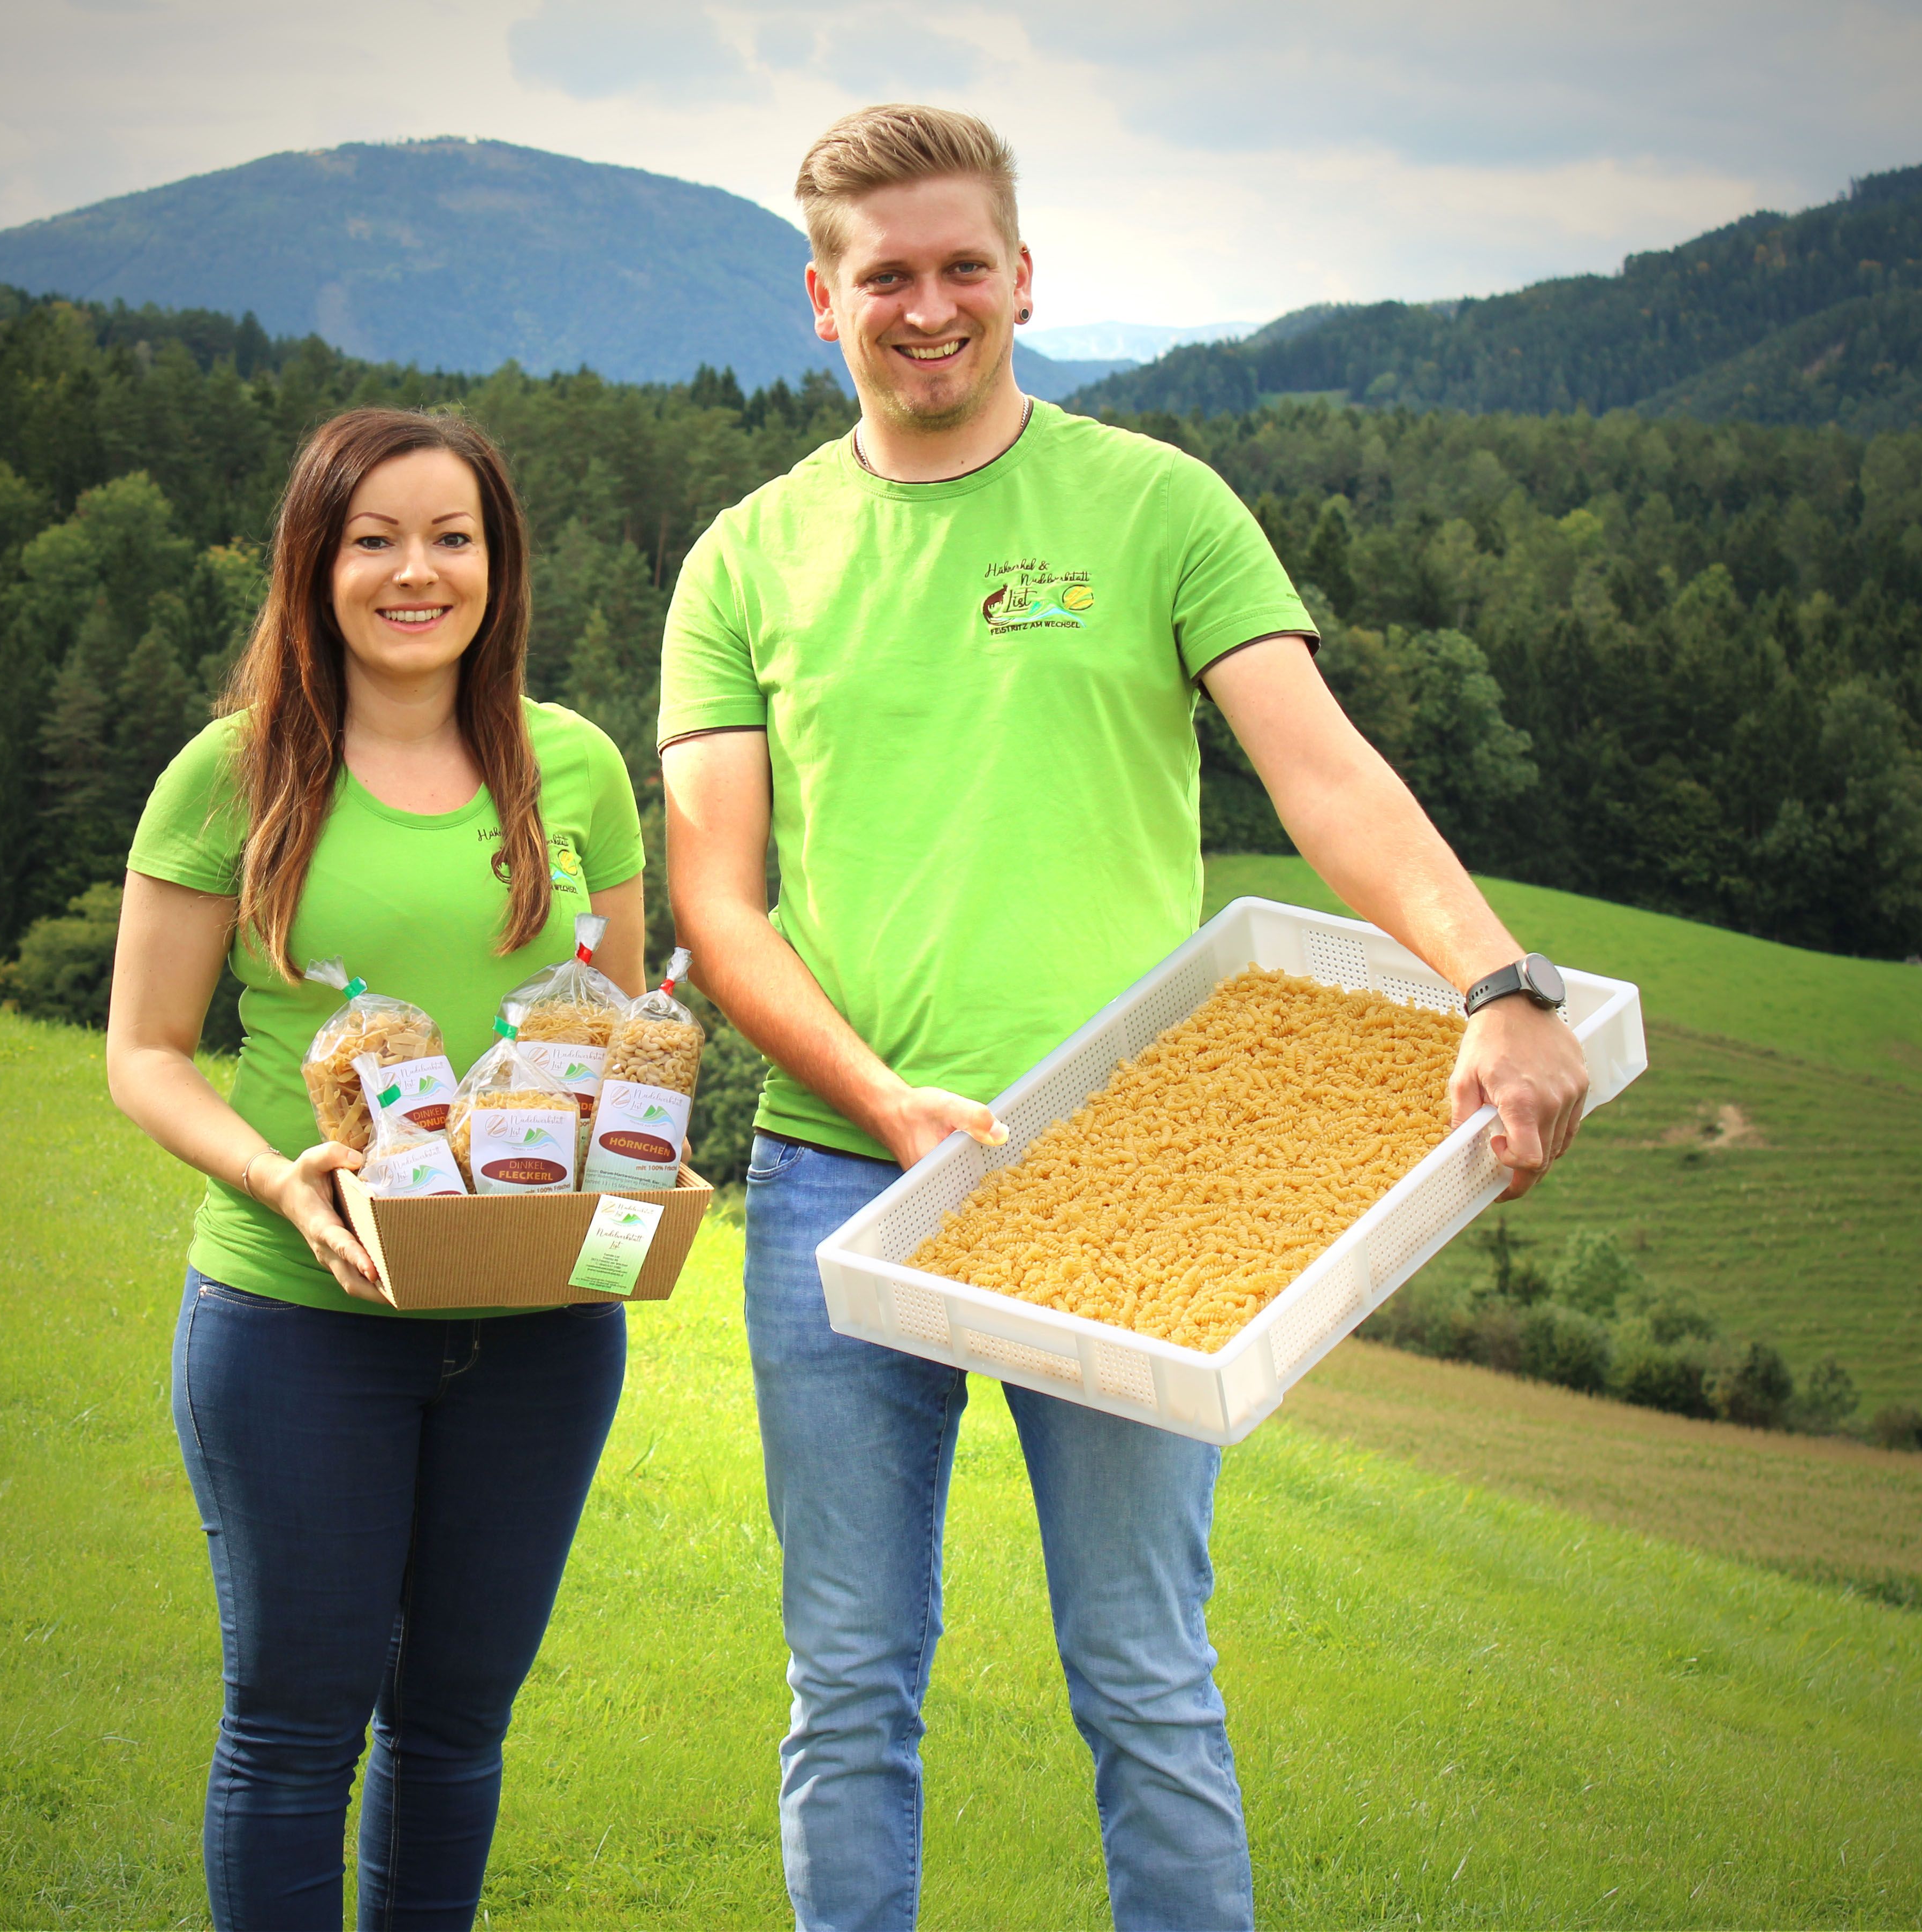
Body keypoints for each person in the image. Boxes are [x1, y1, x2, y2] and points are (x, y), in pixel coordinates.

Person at [660, 107, 1591, 1932]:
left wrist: (1495, 980)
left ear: (1022, 277)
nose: (925, 308)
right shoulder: (745, 559)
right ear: (818, 301)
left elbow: (1324, 779)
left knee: (1145, 1675)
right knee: (846, 1685)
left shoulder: (1157, 505)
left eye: (959, 268)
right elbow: (715, 898)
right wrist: (876, 1094)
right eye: (884, 278)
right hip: (836, 1184)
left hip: (1128, 1180)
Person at [104, 407, 645, 1931]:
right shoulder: (233, 773)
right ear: (313, 562)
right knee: (293, 1731)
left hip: (540, 1325)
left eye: (452, 537)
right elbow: (144, 1048)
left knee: (458, 1726)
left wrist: (636, 1183)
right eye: (375, 538)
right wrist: (280, 1178)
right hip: (297, 1325)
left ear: (499, 563)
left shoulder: (577, 766)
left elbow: (617, 1032)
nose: (418, 571)